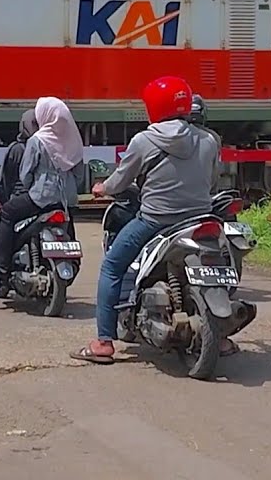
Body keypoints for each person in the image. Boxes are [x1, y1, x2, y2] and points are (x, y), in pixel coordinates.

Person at [70, 76, 222, 365]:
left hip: (155, 221)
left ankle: (103, 342)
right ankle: (222, 338)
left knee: (112, 266)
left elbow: (119, 181)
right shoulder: (209, 140)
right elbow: (212, 181)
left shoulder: (144, 140)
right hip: (200, 219)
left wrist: (102, 187)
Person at [0, 97, 85, 279]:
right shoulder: (74, 141)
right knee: (68, 224)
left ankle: (1, 264)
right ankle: (73, 262)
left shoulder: (37, 140)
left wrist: (35, 187)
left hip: (40, 198)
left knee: (7, 213)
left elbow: (26, 174)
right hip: (67, 200)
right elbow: (80, 175)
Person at [0, 109, 39, 308]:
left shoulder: (17, 149)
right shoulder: (52, 145)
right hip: (49, 200)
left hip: (22, 201)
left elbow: (6, 180)